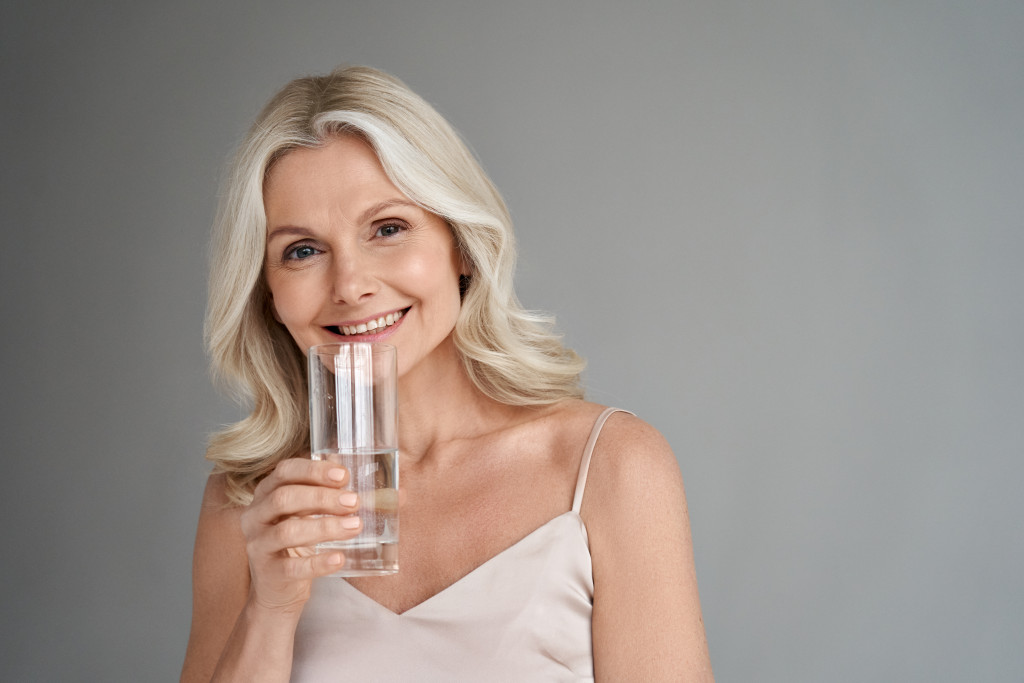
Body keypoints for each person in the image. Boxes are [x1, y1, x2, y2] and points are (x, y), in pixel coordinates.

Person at [181, 65, 713, 682]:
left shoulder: (611, 468)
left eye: (388, 228)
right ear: (267, 289)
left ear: (459, 243)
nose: (351, 285)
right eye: (302, 250)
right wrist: (269, 613)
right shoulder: (248, 504)